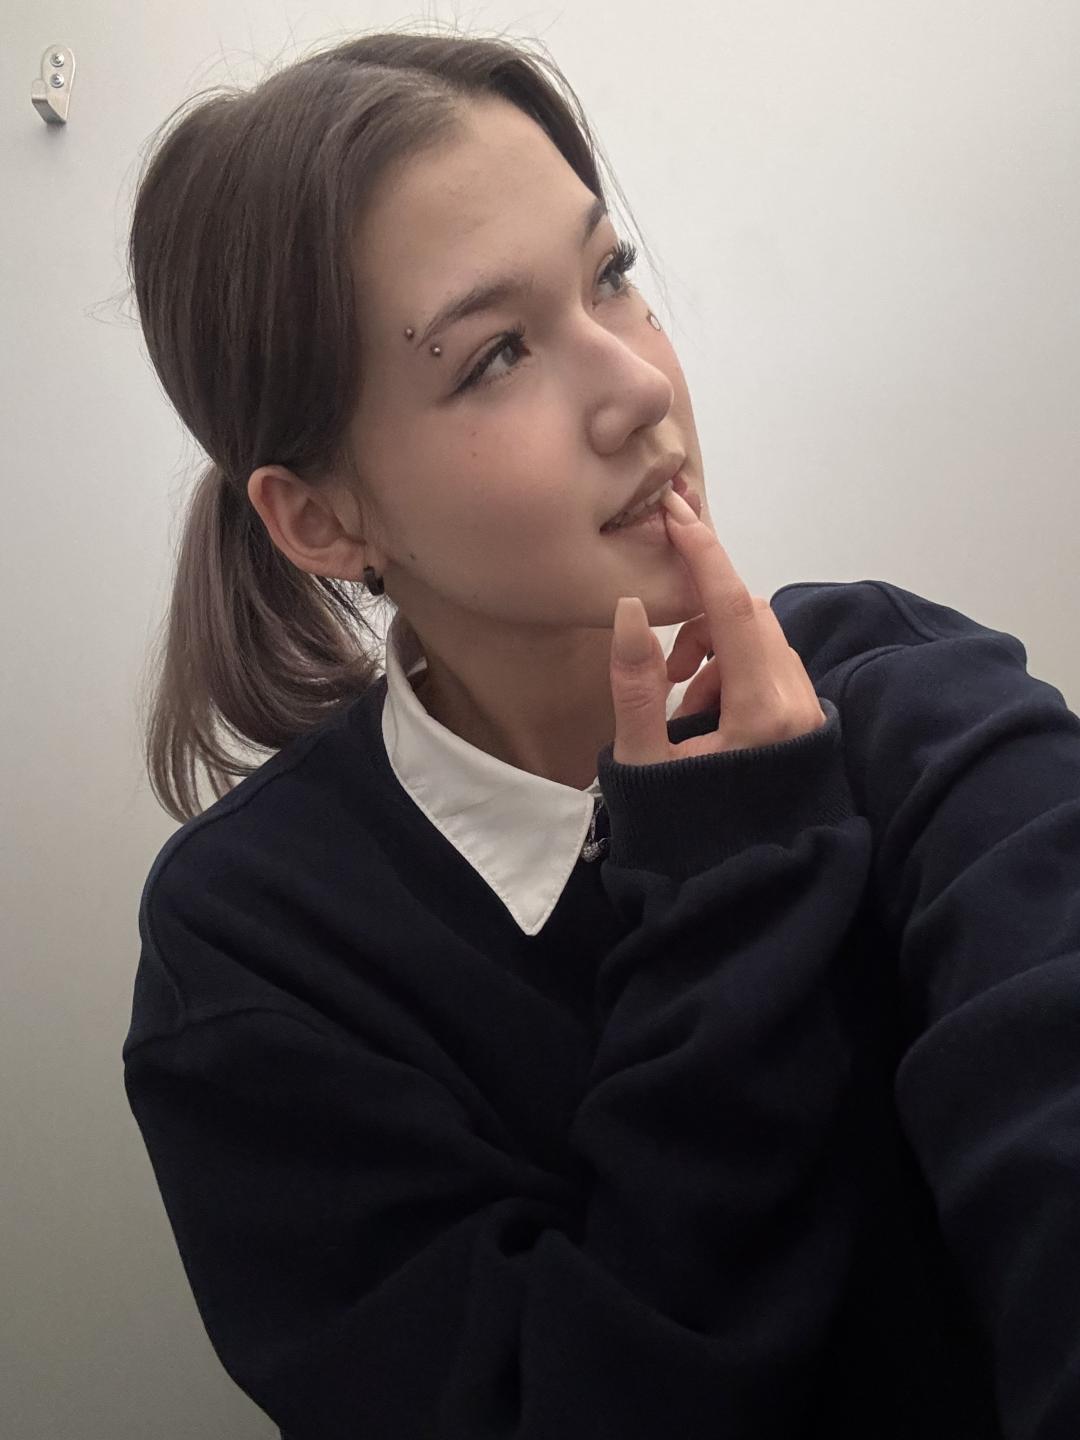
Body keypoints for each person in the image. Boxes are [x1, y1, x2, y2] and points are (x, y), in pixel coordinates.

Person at [121, 28, 1080, 1440]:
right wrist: (732, 882)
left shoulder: (900, 689)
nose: (639, 385)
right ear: (322, 519)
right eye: (497, 353)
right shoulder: (254, 953)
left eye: (611, 274)